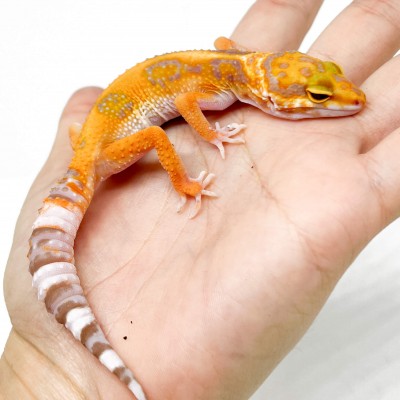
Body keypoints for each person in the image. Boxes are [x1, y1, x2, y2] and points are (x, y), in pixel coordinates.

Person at [1, 1, 400, 399]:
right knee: (157, 136)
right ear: (271, 96)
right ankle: (184, 185)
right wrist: (207, 142)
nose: (345, 100)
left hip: (92, 140)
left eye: (324, 85)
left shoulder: (236, 70)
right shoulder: (223, 93)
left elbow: (222, 43)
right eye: (318, 95)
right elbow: (189, 103)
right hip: (100, 155)